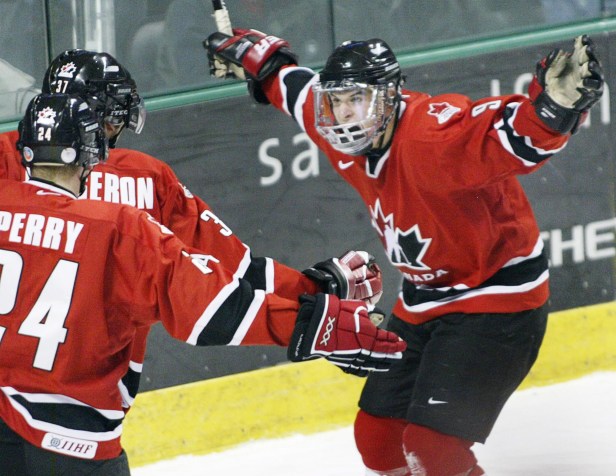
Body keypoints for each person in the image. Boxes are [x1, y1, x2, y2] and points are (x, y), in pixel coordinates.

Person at [205, 30, 604, 475]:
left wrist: (555, 109)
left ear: (390, 97)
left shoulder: (432, 134)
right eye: (336, 102)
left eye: (355, 99)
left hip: (497, 298)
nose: (341, 114)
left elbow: (510, 138)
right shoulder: (343, 136)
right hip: (423, 299)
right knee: (378, 441)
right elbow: (295, 89)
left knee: (433, 451)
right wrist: (261, 59)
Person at [0, 93, 406, 475]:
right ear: (92, 155)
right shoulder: (121, 229)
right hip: (74, 442)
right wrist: (313, 321)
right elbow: (213, 308)